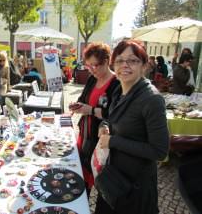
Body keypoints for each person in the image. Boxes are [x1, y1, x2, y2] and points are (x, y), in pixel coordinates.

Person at [95, 40, 169, 214]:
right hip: (113, 177)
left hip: (134, 188)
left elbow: (160, 151)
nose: (125, 65)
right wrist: (104, 126)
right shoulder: (119, 90)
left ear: (144, 65)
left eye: (133, 60)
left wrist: (113, 141)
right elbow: (111, 119)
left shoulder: (152, 100)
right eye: (120, 60)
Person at [69, 42, 119, 195]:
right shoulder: (92, 79)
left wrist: (90, 110)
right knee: (80, 179)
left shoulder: (116, 83)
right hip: (84, 135)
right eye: (88, 65)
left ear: (106, 61)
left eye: (95, 65)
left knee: (94, 177)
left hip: (99, 141)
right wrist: (76, 105)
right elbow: (83, 98)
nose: (91, 69)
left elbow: (113, 114)